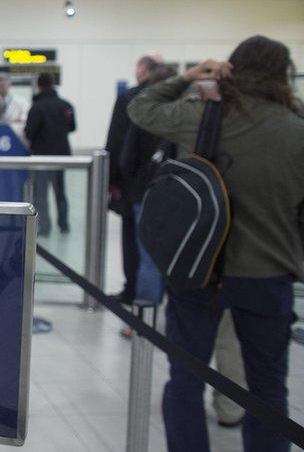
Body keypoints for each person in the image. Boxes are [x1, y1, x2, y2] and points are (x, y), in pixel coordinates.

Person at [127, 35, 303, 452]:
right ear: (283, 76)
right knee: (267, 388)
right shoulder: (297, 131)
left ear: (232, 69)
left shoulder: (203, 115)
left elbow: (140, 107)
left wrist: (189, 75)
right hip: (268, 277)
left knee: (186, 378)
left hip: (198, 270)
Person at [105, 54, 163, 304]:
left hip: (135, 183)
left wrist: (111, 180)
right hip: (172, 183)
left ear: (142, 70)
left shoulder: (131, 99)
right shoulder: (179, 102)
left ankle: (135, 292)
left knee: (133, 240)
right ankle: (157, 293)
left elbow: (117, 142)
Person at [24, 73, 75, 236]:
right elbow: (72, 127)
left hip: (42, 155)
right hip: (61, 155)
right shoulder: (66, 105)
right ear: (53, 84)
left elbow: (29, 132)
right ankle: (64, 224)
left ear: (39, 85)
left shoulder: (37, 107)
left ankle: (44, 227)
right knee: (60, 191)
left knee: (41, 193)